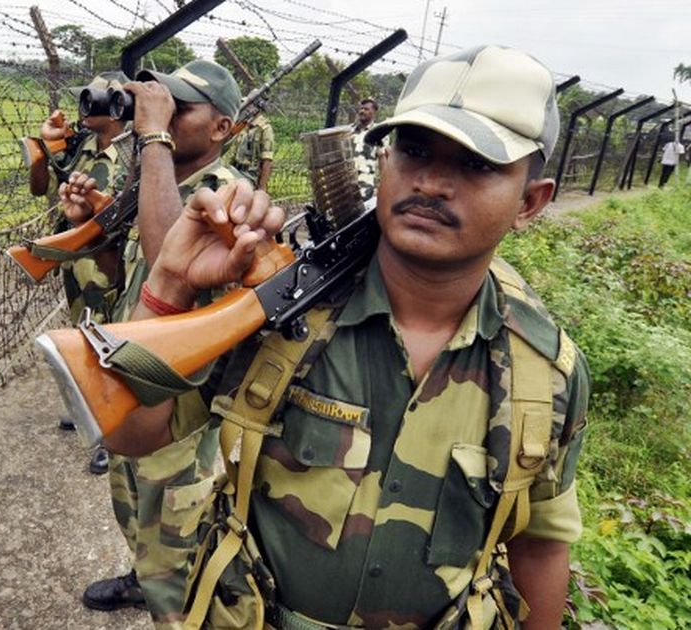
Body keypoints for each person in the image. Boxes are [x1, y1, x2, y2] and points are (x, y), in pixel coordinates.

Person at [104, 45, 590, 628]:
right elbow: (133, 435)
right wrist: (170, 287)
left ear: (531, 202)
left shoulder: (544, 370)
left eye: (476, 164)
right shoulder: (281, 306)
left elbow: (541, 543)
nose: (432, 182)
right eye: (413, 149)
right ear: (384, 163)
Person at [57, 59, 244, 619]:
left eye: (180, 108)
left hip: (182, 421)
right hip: (135, 396)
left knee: (181, 564)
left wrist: (154, 138)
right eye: (158, 102)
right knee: (135, 515)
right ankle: (142, 576)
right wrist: (93, 232)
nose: (156, 112)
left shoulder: (224, 196)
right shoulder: (159, 188)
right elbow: (126, 285)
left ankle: (168, 595)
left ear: (222, 129)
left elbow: (173, 264)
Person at [29, 72, 130, 475]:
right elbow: (40, 187)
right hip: (77, 264)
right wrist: (42, 146)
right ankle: (88, 407)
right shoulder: (78, 146)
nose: (85, 107)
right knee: (84, 337)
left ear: (117, 106)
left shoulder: (137, 154)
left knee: (113, 346)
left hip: (115, 264)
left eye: (94, 100)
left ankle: (111, 433)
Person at [230, 94, 275, 191]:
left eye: (249, 105)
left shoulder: (265, 129)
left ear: (257, 108)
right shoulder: (243, 125)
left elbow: (267, 161)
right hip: (234, 169)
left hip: (249, 176)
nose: (246, 107)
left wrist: (262, 187)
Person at [353, 97, 386, 201]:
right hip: (347, 180)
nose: (362, 111)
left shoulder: (378, 132)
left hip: (364, 182)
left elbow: (382, 157)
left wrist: (384, 184)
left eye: (366, 109)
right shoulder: (349, 131)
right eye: (361, 108)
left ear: (374, 112)